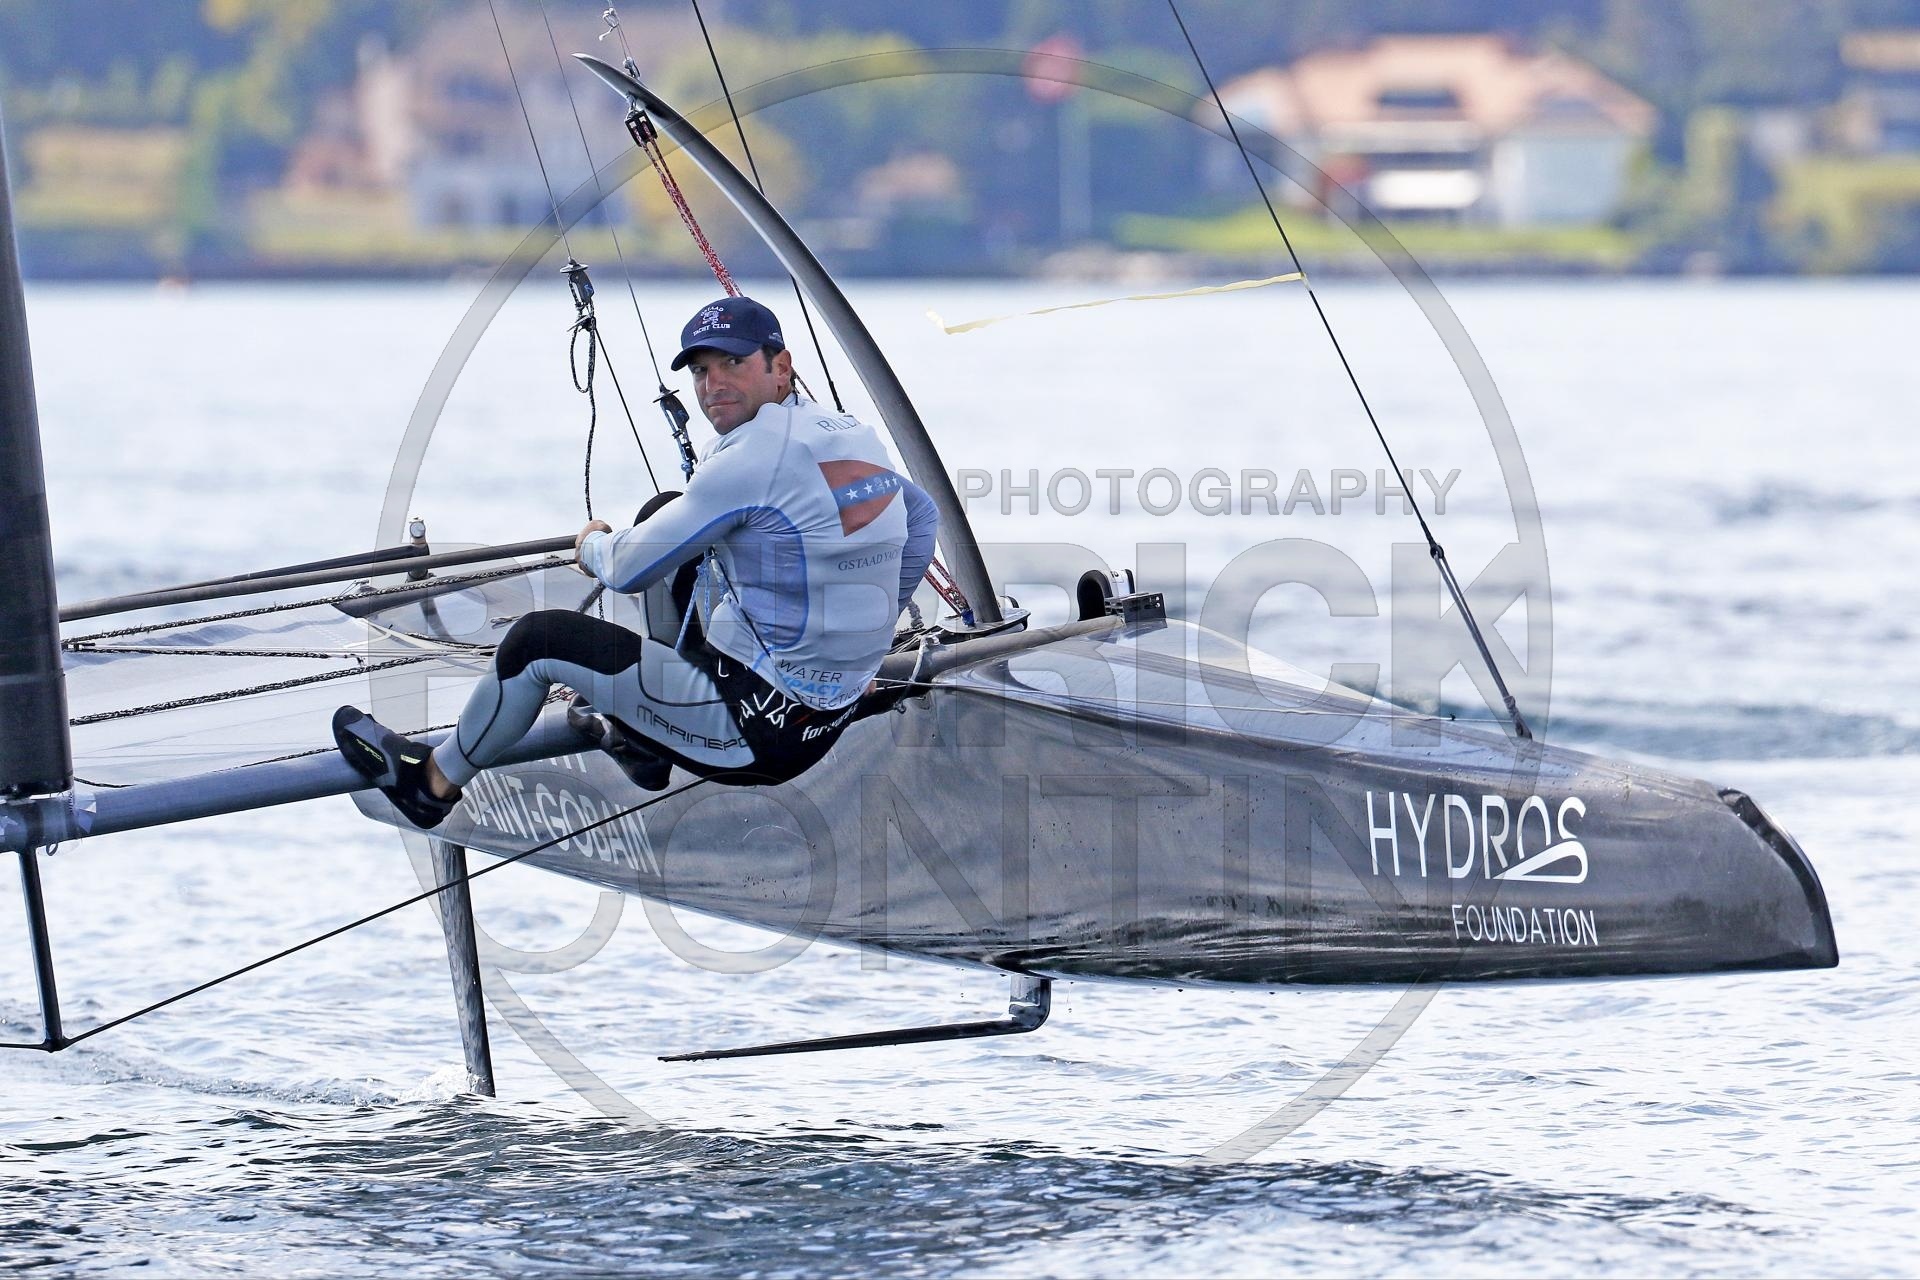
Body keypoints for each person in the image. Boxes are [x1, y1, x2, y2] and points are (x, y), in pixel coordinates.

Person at [334, 295, 940, 828]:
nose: (714, 384)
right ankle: (645, 738)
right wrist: (863, 645)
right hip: (823, 704)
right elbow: (922, 518)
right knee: (666, 512)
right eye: (701, 370)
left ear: (780, 366)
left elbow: (626, 568)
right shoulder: (848, 434)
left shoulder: (752, 457)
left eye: (733, 363)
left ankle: (429, 785)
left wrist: (591, 546)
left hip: (755, 735)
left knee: (537, 643)